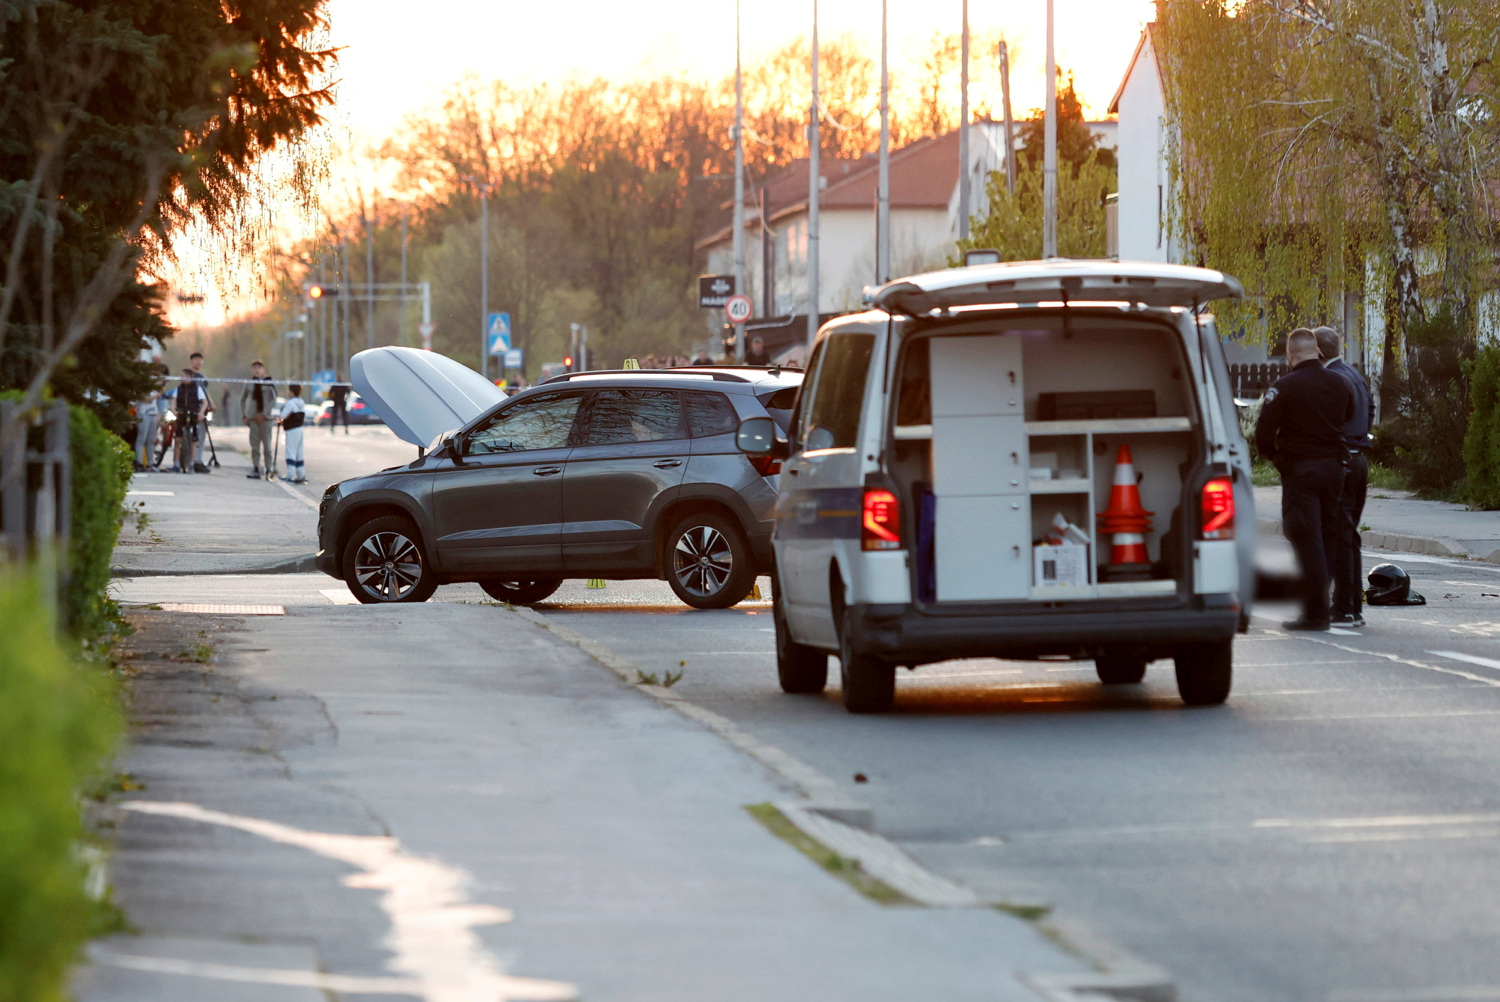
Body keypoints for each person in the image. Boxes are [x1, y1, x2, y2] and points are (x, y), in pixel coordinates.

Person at [1255, 327, 1355, 631]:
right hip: (1335, 469)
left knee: (1305, 537)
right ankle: (1328, 606)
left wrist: (1278, 460)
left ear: (1290, 354)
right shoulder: (1340, 383)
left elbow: (1263, 433)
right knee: (1329, 538)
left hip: (1302, 471)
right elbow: (1348, 416)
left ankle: (1315, 613)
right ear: (1318, 352)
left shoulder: (1285, 387)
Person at [1314, 325, 1375, 628]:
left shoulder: (1332, 379)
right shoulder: (1355, 374)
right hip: (1360, 456)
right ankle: (1353, 605)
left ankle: (1344, 609)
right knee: (1349, 535)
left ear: (1319, 351)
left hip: (1343, 460)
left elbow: (1332, 421)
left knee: (1339, 534)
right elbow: (1371, 409)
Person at [240, 360, 275, 479]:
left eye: (259, 367)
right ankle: (256, 469)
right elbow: (242, 399)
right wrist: (245, 415)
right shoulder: (249, 383)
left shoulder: (269, 383)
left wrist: (264, 414)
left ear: (263, 370)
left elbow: (273, 401)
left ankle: (269, 469)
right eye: (254, 367)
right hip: (253, 419)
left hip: (266, 420)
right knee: (255, 446)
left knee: (267, 447)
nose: (257, 370)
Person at [186, 351, 211, 472]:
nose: (198, 362)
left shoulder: (203, 376)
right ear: (191, 361)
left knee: (201, 436)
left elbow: (205, 392)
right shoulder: (189, 375)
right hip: (191, 407)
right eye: (196, 360)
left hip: (202, 408)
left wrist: (211, 403)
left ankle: (198, 460)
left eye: (200, 360)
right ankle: (190, 460)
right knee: (191, 436)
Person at [131, 375, 161, 473]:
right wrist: (157, 394)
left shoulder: (155, 390)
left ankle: (150, 463)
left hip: (153, 415)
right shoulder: (141, 389)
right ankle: (139, 462)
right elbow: (146, 399)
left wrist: (159, 415)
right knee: (141, 439)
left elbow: (156, 402)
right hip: (143, 414)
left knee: (151, 440)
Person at [280, 383, 307, 483]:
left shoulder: (290, 403)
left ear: (292, 392)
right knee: (299, 453)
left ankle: (290, 475)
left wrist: (279, 416)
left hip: (291, 430)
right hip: (299, 429)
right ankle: (301, 475)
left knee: (290, 452)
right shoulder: (301, 402)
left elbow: (283, 415)